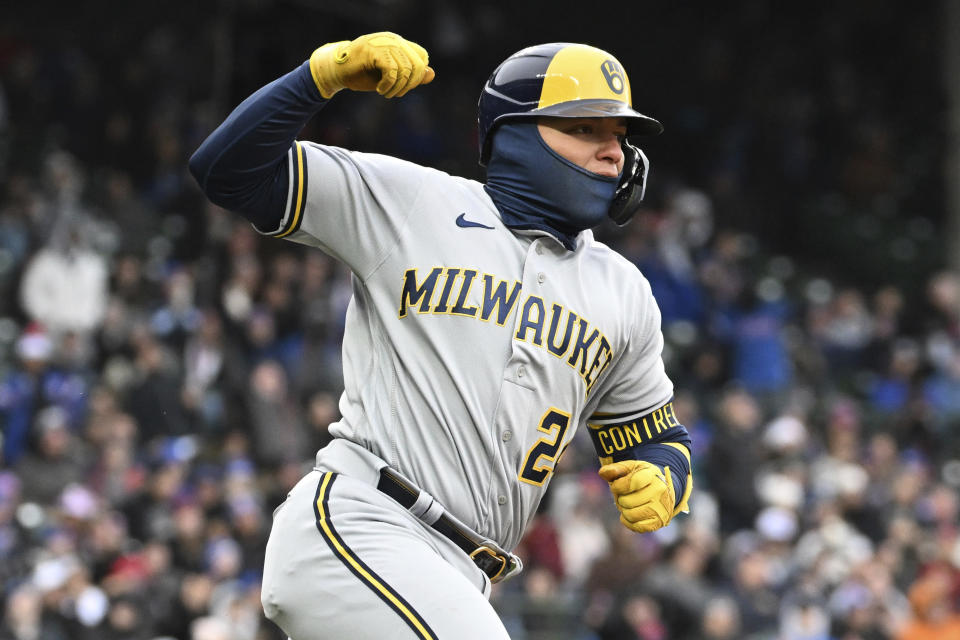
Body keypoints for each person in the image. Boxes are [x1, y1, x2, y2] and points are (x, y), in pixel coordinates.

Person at [189, 32, 693, 640]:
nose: (613, 151)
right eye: (586, 129)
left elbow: (652, 434)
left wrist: (664, 474)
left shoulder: (624, 292)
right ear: (516, 134)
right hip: (364, 523)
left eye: (620, 134)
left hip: (466, 575)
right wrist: (319, 76)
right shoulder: (412, 201)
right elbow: (227, 171)